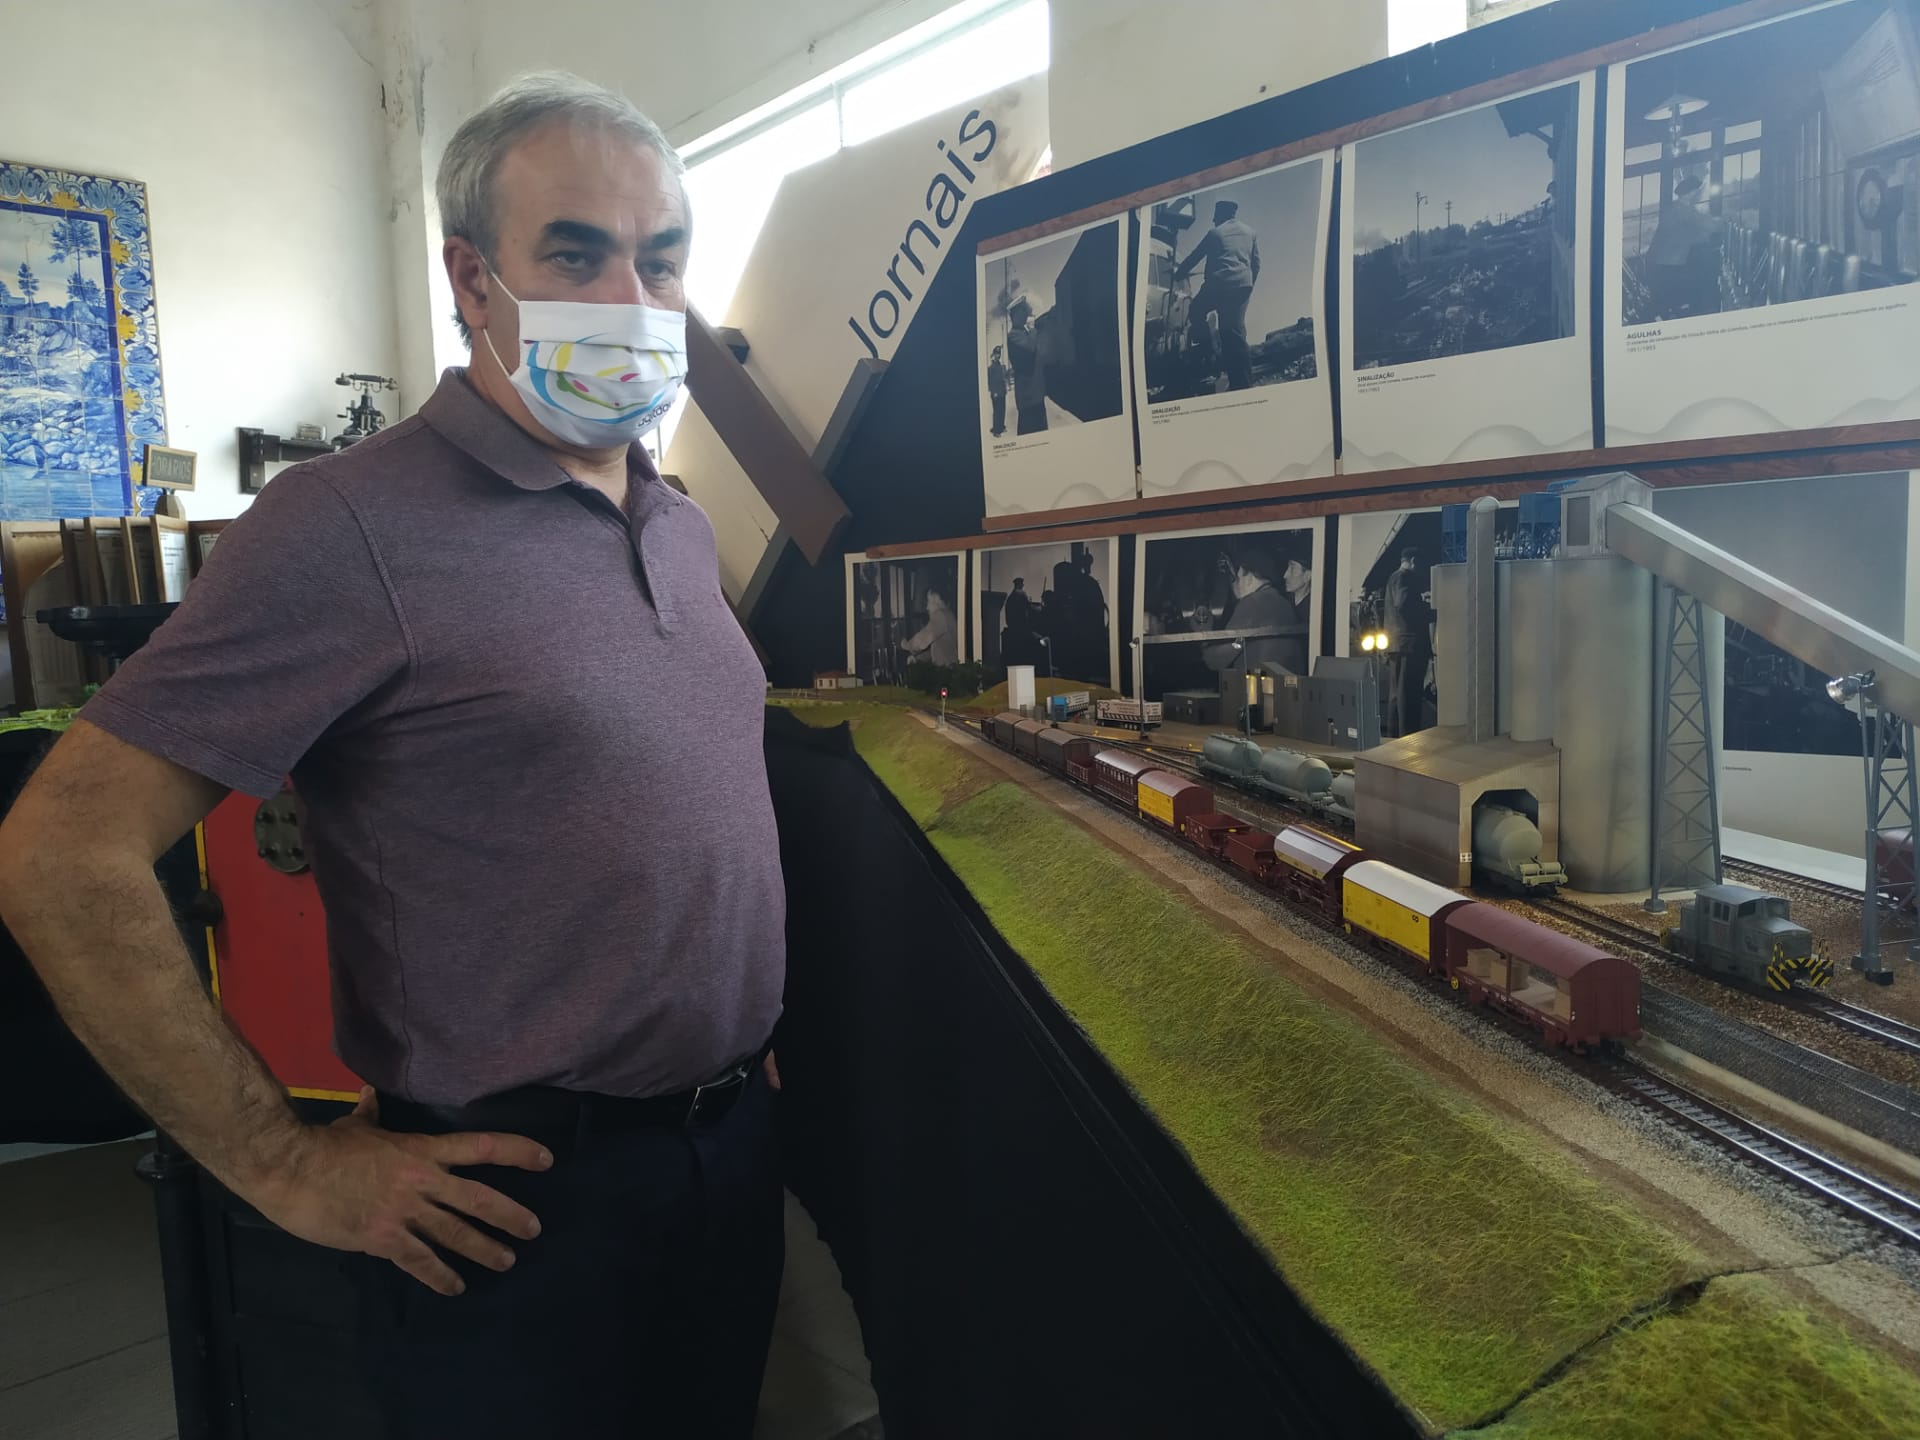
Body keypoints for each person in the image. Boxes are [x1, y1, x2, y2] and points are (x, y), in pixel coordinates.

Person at [0, 73, 787, 1439]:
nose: (633, 299)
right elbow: (61, 855)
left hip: (723, 1155)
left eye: (660, 259)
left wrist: (727, 1036)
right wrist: (281, 1163)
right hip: (510, 1203)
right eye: (577, 256)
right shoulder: (346, 526)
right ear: (473, 280)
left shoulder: (673, 519)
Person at [1174, 198, 1261, 392]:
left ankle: (1207, 347)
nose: (1214, 221)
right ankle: (1242, 384)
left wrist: (1179, 272)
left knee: (1196, 310)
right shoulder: (1250, 232)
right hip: (1242, 286)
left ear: (1220, 215)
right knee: (1234, 333)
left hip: (1218, 285)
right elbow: (1256, 264)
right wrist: (1246, 286)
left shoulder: (1215, 233)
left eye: (1215, 217)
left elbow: (1195, 256)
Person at [1385, 547, 1434, 737]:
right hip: (1409, 644)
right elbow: (1404, 604)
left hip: (1397, 643)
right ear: (1414, 561)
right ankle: (1409, 735)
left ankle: (1395, 734)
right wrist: (1430, 610)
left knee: (1397, 694)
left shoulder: (1393, 577)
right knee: (1409, 693)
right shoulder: (1405, 577)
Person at [1005, 296, 1048, 435]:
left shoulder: (1024, 333)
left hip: (1036, 395)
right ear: (1015, 315)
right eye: (1023, 312)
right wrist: (1033, 329)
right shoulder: (1014, 336)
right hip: (1028, 399)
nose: (1026, 315)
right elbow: (1030, 348)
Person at [903, 585, 958, 667]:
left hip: (947, 670)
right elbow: (936, 649)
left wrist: (905, 645)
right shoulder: (948, 615)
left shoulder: (941, 615)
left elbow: (922, 639)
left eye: (929, 601)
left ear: (936, 599)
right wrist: (917, 658)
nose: (927, 607)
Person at [986, 344, 1009, 437]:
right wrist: (993, 392)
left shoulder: (1000, 366)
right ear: (993, 355)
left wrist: (1005, 389)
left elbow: (1003, 378)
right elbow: (990, 382)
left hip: (1002, 392)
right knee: (997, 412)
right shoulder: (991, 368)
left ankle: (1001, 427)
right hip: (996, 393)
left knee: (1002, 410)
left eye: (999, 354)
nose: (998, 355)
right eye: (996, 354)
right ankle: (996, 431)